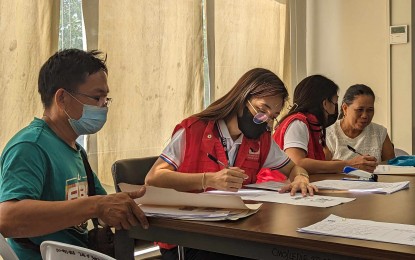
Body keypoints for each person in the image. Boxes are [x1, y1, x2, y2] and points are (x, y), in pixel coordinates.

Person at [145, 68, 317, 260]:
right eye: (262, 111)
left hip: (233, 232)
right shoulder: (193, 130)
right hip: (187, 238)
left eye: (273, 116)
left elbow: (294, 167)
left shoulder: (260, 140)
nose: (266, 122)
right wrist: (208, 179)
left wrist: (300, 177)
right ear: (242, 99)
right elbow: (153, 178)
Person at [0, 49, 148, 259]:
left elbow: (103, 205)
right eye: (97, 97)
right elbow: (7, 219)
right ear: (62, 98)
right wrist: (95, 207)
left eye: (106, 99)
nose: (103, 107)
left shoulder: (75, 150)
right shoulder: (31, 147)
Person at [272, 75, 378, 174]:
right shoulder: (298, 123)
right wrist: (348, 164)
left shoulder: (312, 125)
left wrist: (348, 164)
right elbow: (297, 162)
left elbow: (318, 162)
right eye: (335, 102)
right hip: (280, 188)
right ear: (325, 103)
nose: (336, 108)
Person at [325, 84, 395, 163]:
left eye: (370, 110)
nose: (365, 116)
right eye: (360, 109)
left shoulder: (380, 132)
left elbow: (392, 167)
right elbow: (323, 170)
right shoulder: (328, 135)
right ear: (345, 108)